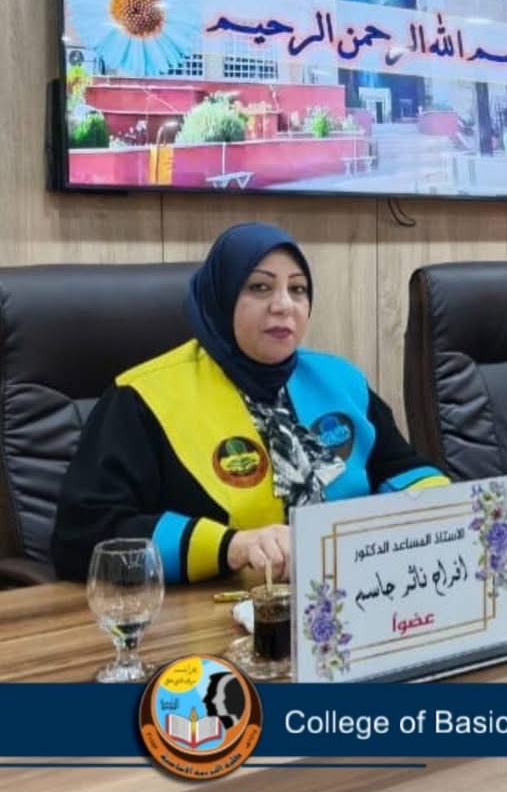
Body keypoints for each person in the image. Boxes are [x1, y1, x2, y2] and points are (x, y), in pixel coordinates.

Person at [51, 223, 448, 584]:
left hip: (347, 600)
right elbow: (84, 537)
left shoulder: (339, 381)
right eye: (260, 287)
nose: (283, 305)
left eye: (298, 289)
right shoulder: (141, 399)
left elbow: (403, 471)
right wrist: (232, 547)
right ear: (220, 298)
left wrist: (450, 508)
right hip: (203, 615)